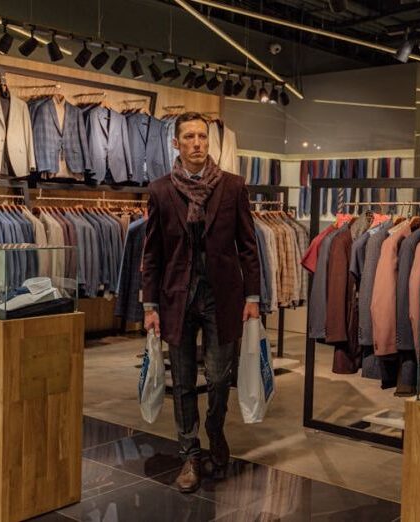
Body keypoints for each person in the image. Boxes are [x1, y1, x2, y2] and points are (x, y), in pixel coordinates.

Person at [142, 112, 260, 493]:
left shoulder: (233, 187)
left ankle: (215, 429)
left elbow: (248, 247)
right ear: (176, 143)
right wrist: (149, 306)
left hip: (222, 296)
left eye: (202, 137)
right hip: (177, 295)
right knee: (183, 378)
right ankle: (189, 453)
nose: (197, 143)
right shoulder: (161, 190)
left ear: (210, 143)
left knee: (220, 375)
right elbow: (153, 253)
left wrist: (253, 296)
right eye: (189, 137)